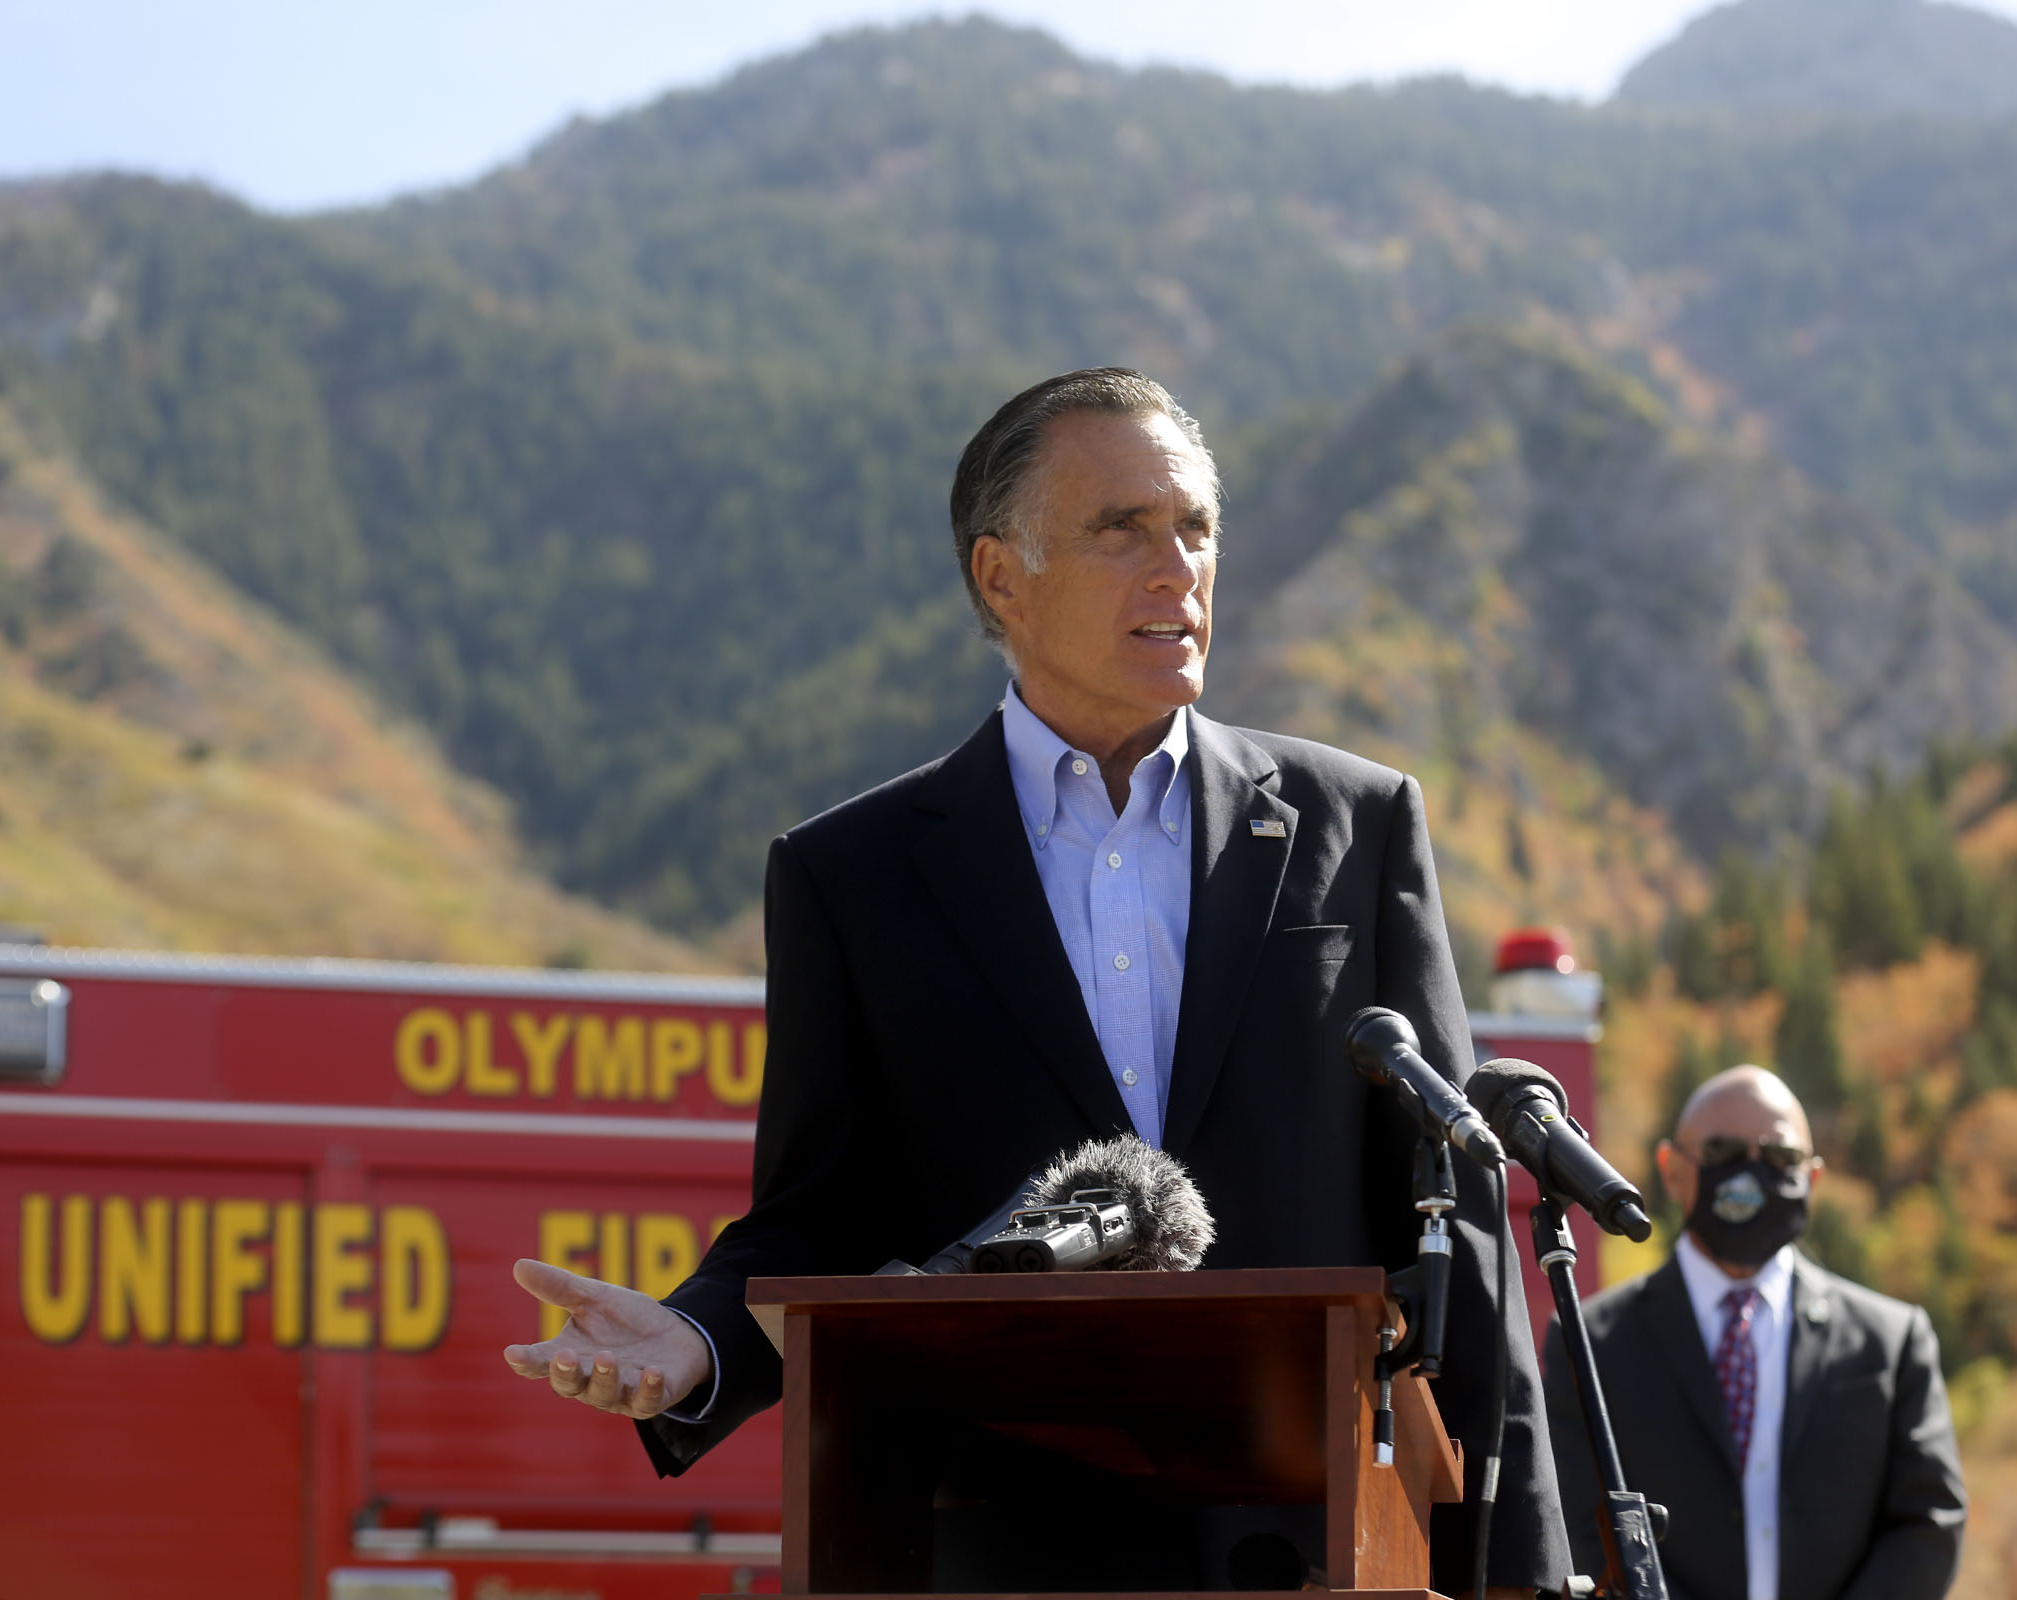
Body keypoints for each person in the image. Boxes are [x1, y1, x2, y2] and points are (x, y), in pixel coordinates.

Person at [500, 367, 1567, 1595]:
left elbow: (1456, 1215)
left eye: (1197, 529)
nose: (1179, 568)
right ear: (1000, 575)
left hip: (1320, 1545)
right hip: (1008, 1551)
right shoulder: (851, 877)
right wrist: (697, 1341)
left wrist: (1521, 1566)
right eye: (1124, 530)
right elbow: (822, 1217)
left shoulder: (1356, 823)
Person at [1543, 1065, 1965, 1600]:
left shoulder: (1891, 1342)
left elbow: (1928, 1521)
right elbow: (1575, 1521)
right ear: (1672, 1171)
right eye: (1722, 1153)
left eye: (1780, 1158)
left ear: (1811, 1179)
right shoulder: (1590, 1343)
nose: (1751, 1174)